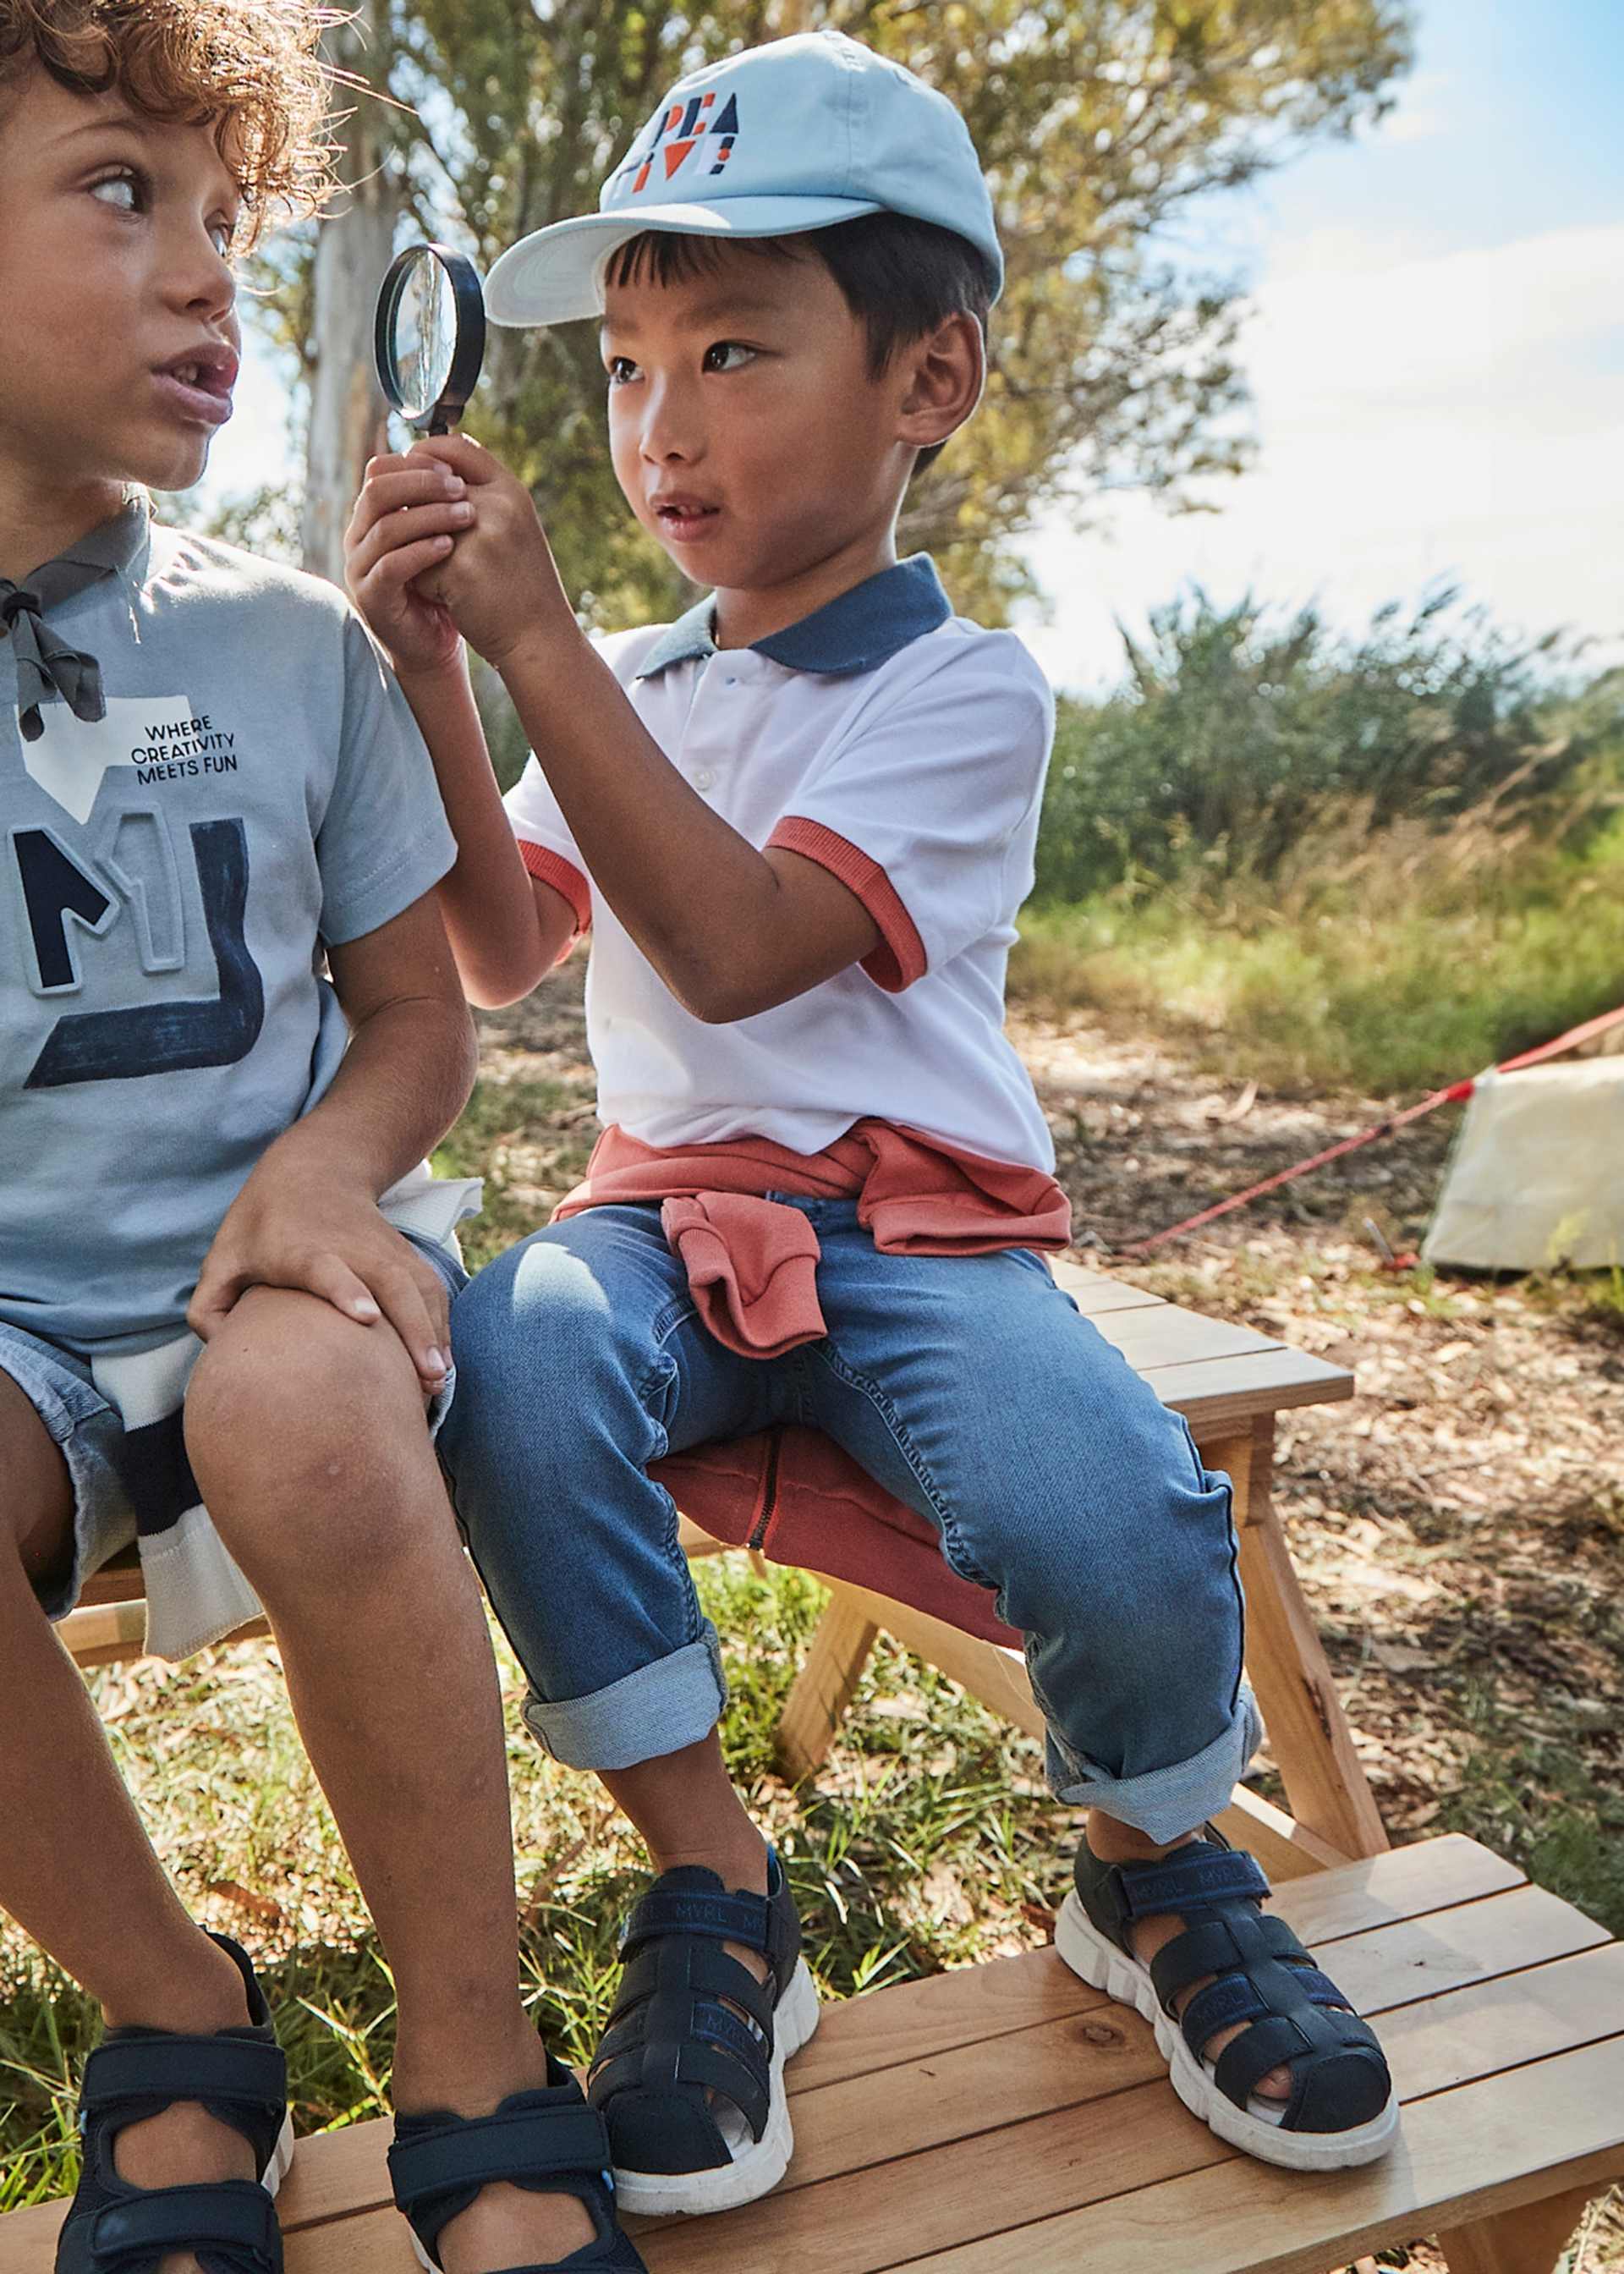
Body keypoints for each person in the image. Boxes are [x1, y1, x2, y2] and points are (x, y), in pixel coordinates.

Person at [345, 27, 1398, 2222]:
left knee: (1102, 1490)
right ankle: (718, 1887)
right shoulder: (623, 677)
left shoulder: (964, 686)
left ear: (929, 382)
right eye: (629, 368)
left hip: (920, 1239)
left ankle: (1150, 1863)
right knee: (513, 1345)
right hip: (663, 1222)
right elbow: (497, 950)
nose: (661, 424)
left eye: (733, 351)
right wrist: (446, 674)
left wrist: (533, 644)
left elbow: (734, 948)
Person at [0, 4, 645, 2269]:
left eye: (228, 223)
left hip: (290, 1268)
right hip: (23, 1341)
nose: (207, 277)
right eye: (120, 195)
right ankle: (179, 2023)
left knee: (312, 1428)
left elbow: (418, 1015)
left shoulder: (293, 649)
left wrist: (321, 1171)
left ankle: (474, 2058)